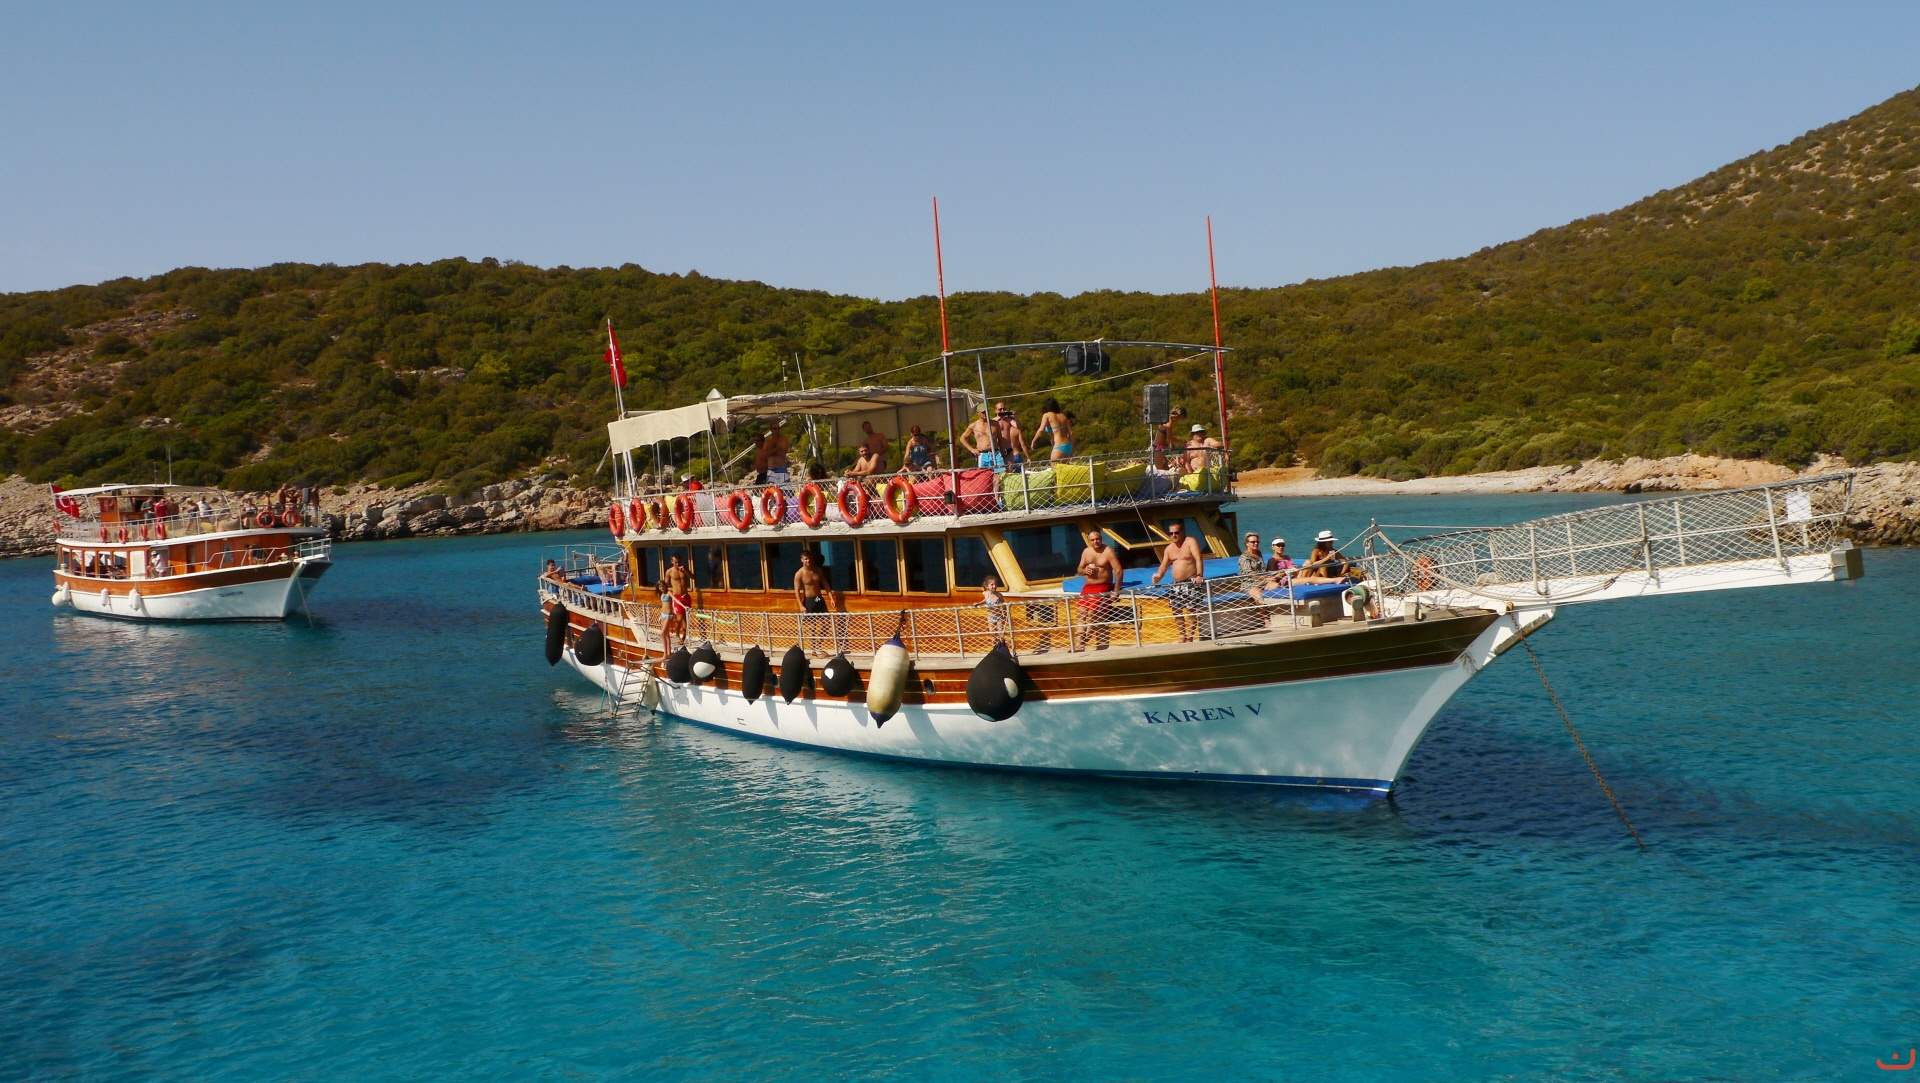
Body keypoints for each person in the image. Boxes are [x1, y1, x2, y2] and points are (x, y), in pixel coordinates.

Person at [1150, 520, 1208, 642]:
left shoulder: (1190, 542)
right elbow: (1163, 566)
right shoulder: (1169, 549)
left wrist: (1199, 575)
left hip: (1191, 581)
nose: (1174, 535)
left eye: (1176, 532)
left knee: (1191, 610)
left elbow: (1198, 558)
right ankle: (1182, 636)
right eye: (1171, 533)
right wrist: (1158, 576)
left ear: (1182, 532)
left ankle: (1191, 636)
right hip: (1176, 584)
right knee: (1176, 610)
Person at [1074, 527, 1126, 651]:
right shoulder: (1086, 552)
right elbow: (1079, 569)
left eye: (1097, 539)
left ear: (1101, 539)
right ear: (1089, 541)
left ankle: (1083, 643)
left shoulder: (1108, 551)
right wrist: (1084, 571)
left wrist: (1116, 591)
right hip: (1088, 587)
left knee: (1092, 614)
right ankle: (1078, 642)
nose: (1095, 542)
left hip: (1103, 586)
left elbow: (1119, 571)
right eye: (1092, 540)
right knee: (1081, 613)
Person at [793, 548, 837, 654]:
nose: (808, 561)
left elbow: (825, 583)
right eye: (805, 559)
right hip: (809, 599)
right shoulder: (799, 573)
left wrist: (831, 597)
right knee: (813, 626)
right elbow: (797, 591)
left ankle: (818, 645)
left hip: (818, 598)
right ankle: (813, 649)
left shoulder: (817, 570)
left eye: (809, 559)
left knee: (827, 623)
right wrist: (801, 605)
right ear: (802, 560)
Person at [658, 552, 699, 656]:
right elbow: (664, 584)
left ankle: (683, 637)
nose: (677, 564)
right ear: (672, 562)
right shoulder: (669, 572)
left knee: (686, 619)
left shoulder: (684, 569)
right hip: (677, 596)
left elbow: (693, 577)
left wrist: (685, 571)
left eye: (679, 562)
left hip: (686, 596)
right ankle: (677, 635)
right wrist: (666, 597)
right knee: (679, 618)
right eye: (675, 562)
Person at [993, 404, 1026, 469]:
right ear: (996, 410)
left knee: (1010, 469)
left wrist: (1015, 417)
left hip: (1008, 449)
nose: (1002, 410)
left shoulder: (1008, 420)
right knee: (1000, 470)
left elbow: (1019, 427)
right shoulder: (993, 421)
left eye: (1004, 409)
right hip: (998, 450)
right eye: (1000, 409)